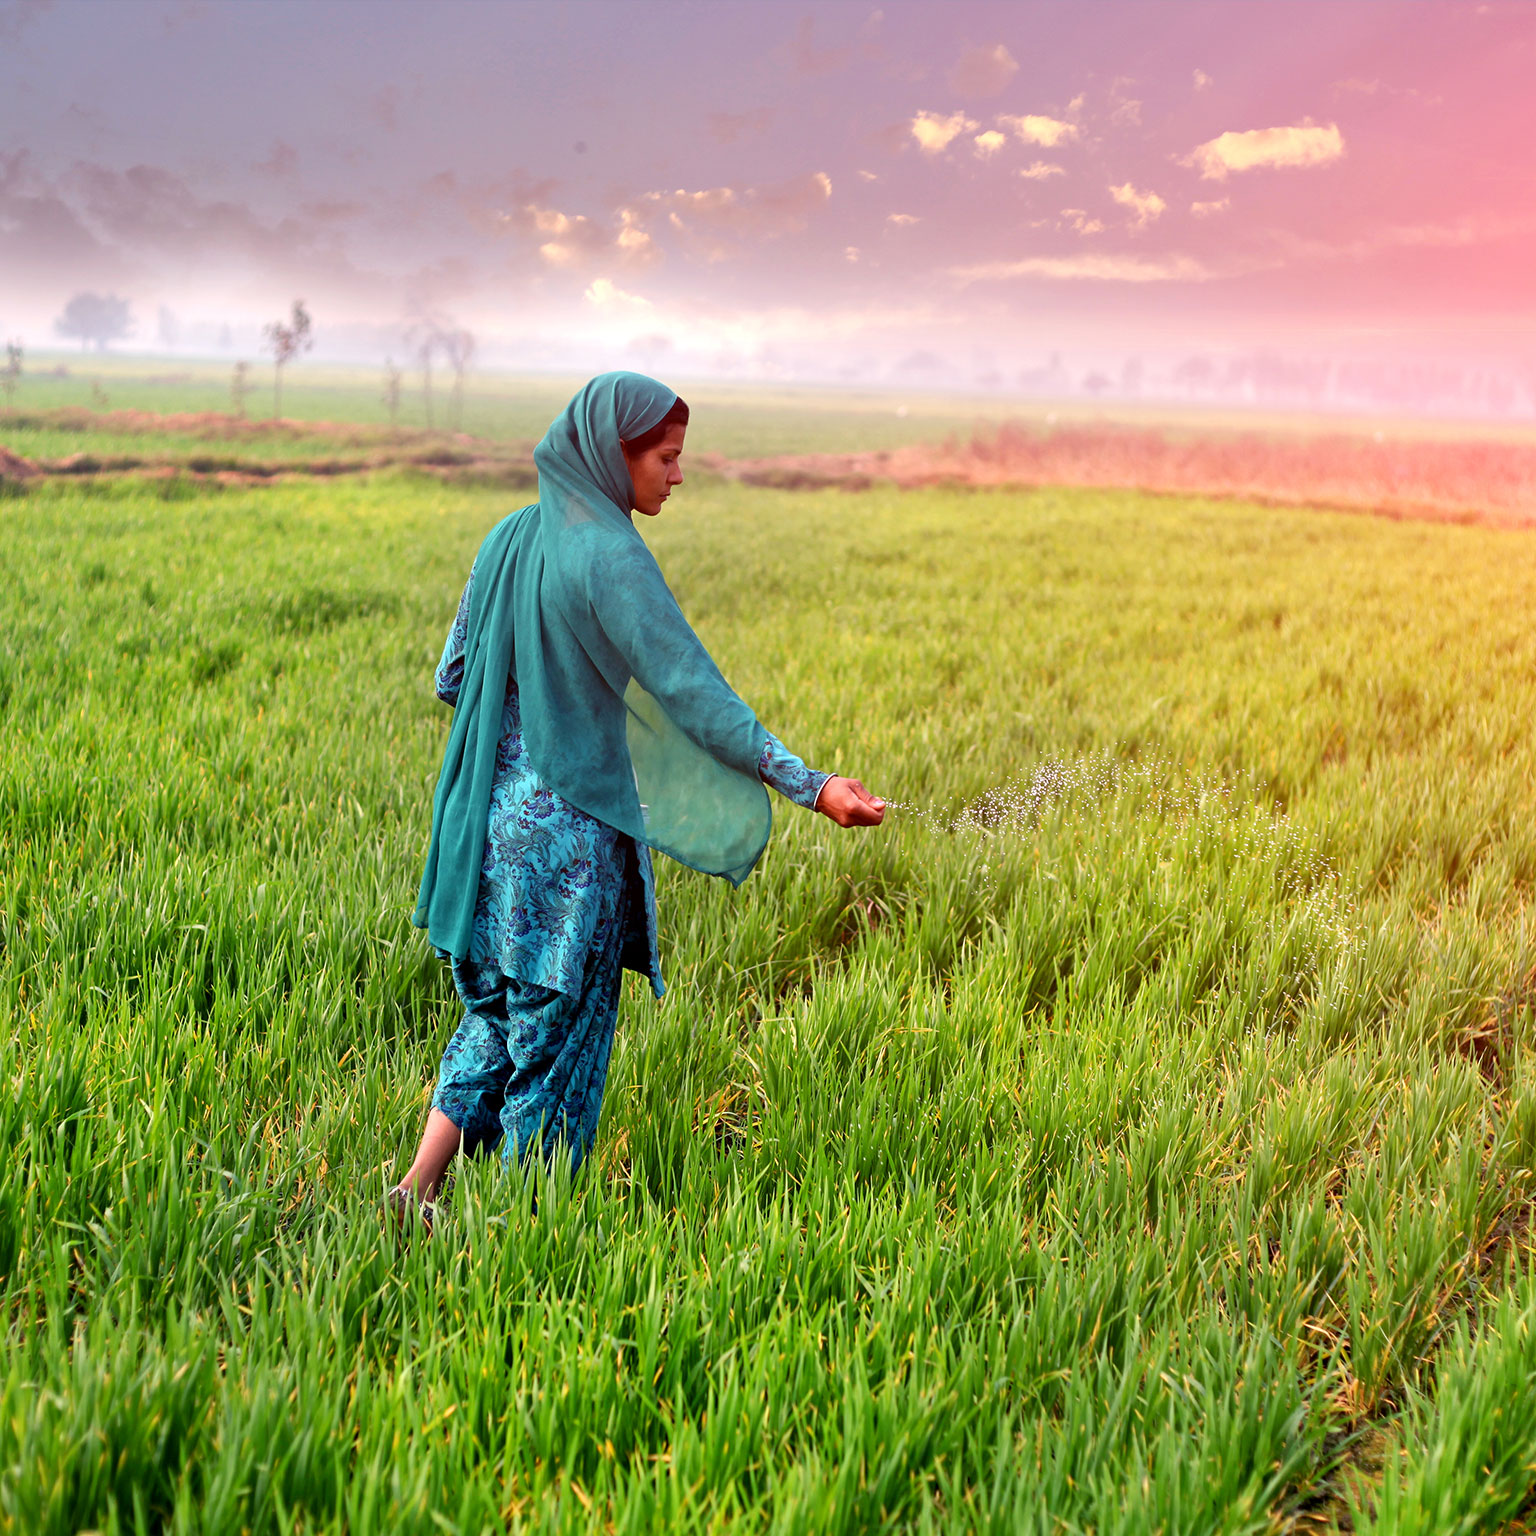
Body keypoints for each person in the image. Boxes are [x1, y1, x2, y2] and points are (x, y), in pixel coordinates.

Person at [391, 372, 884, 1227]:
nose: (677, 475)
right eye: (665, 457)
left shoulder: (509, 536)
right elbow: (697, 698)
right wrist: (814, 786)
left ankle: (413, 1192)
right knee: (555, 1052)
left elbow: (453, 677)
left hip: (484, 835)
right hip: (567, 863)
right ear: (612, 454)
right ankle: (511, 1246)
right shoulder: (612, 555)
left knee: (497, 1020)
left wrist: (532, 702)